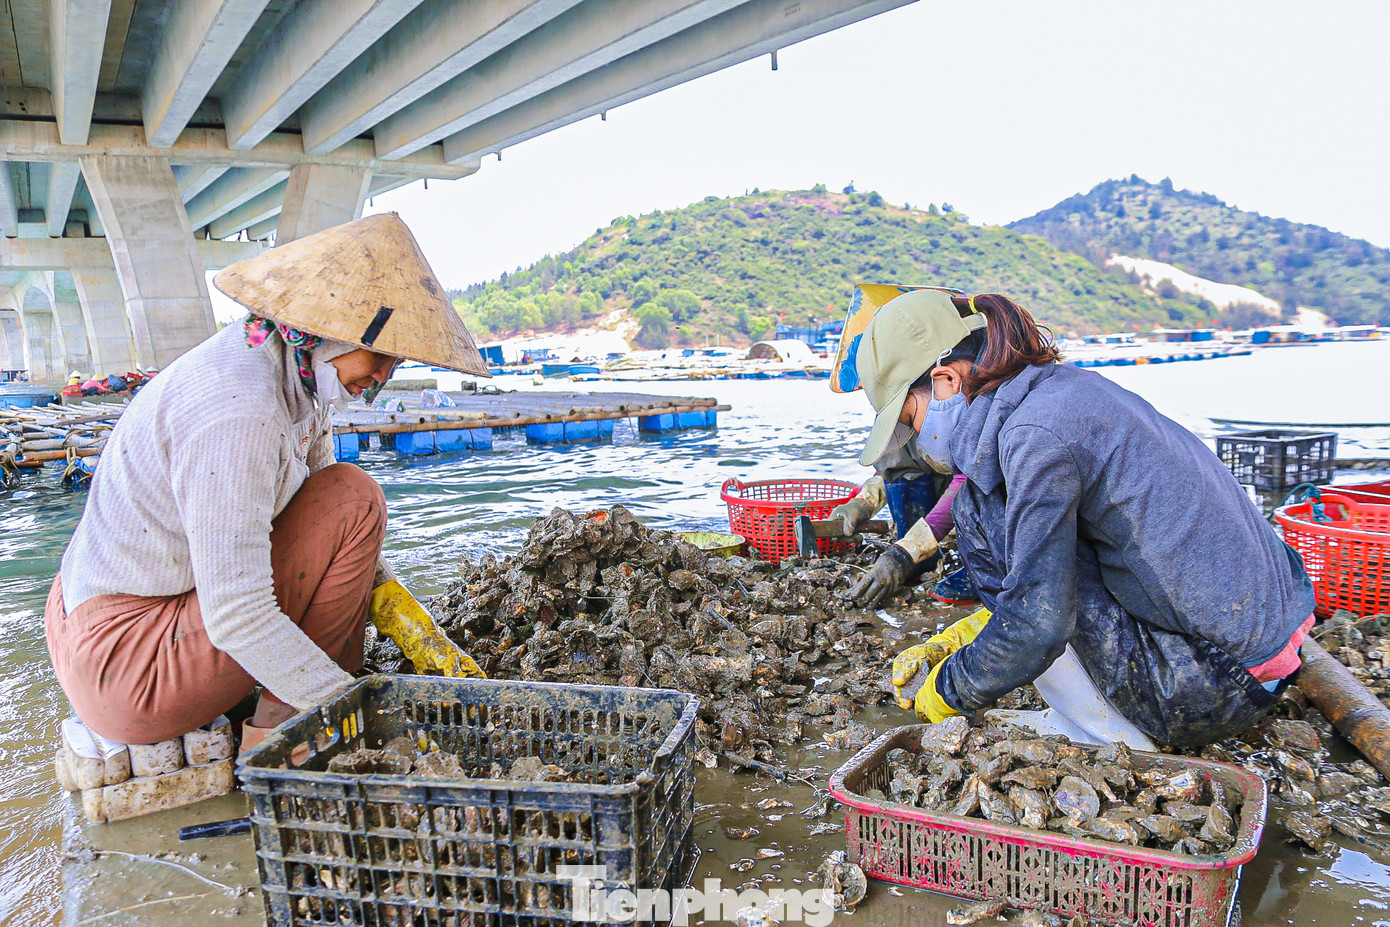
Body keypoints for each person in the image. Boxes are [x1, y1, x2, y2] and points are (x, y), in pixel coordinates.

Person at [45, 213, 489, 754]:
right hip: (124, 667)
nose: (385, 375)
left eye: (396, 360)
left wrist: (401, 611)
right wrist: (354, 707)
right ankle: (283, 738)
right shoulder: (243, 411)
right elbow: (237, 614)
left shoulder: (295, 376)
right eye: (382, 354)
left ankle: (282, 701)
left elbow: (324, 512)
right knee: (358, 499)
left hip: (92, 619)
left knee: (343, 498)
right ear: (326, 332)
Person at [855, 289, 1315, 748]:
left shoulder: (1033, 438)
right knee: (994, 516)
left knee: (979, 509)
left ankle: (1111, 735)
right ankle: (1094, 708)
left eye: (911, 417)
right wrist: (966, 635)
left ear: (947, 381)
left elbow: (1040, 622)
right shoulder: (1060, 391)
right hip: (1262, 653)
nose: (916, 436)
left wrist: (948, 688)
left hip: (1216, 686)